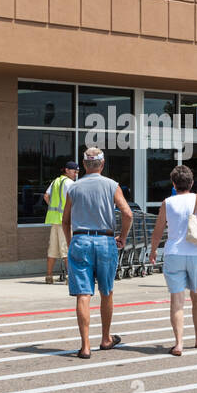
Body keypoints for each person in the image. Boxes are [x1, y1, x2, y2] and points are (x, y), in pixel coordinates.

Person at [62, 147, 133, 358]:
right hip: (105, 239)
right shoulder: (112, 185)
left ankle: (85, 346)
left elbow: (65, 221)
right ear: (102, 164)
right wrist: (123, 237)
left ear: (84, 165)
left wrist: (71, 241)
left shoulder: (74, 188)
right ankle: (105, 338)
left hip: (80, 240)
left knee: (83, 294)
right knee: (106, 290)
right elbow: (128, 213)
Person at [149, 164, 197, 355]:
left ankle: (178, 344)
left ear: (173, 184)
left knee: (177, 300)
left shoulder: (167, 203)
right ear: (191, 182)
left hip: (174, 254)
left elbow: (158, 230)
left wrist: (153, 251)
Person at [42, 160, 78, 284]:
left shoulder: (55, 181)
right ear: (67, 170)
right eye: (74, 171)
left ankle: (49, 276)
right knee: (67, 249)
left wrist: (53, 206)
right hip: (65, 221)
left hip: (54, 220)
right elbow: (75, 200)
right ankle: (70, 277)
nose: (76, 174)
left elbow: (46, 196)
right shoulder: (70, 183)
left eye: (77, 171)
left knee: (52, 249)